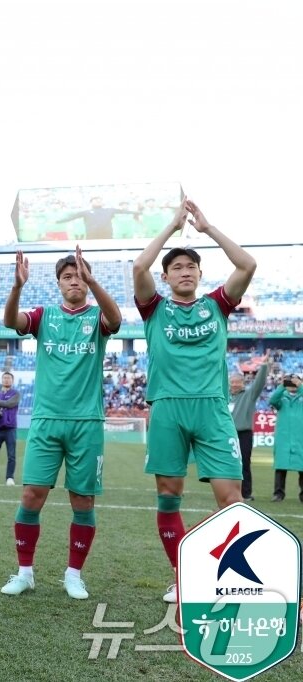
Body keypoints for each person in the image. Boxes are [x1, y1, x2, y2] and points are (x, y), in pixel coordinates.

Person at [132, 199, 256, 603]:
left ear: (200, 274)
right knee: (168, 494)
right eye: (177, 268)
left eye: (191, 267)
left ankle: (199, 561)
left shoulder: (216, 305)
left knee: (231, 500)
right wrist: (172, 225)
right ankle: (181, 576)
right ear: (166, 277)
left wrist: (207, 229)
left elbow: (247, 265)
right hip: (167, 406)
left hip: (212, 408)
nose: (185, 272)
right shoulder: (155, 309)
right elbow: (138, 268)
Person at [0, 247, 122, 600]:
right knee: (31, 495)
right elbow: (11, 322)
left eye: (80, 275)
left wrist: (93, 279)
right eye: (68, 276)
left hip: (86, 422)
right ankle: (24, 572)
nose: (74, 281)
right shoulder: (44, 316)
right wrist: (18, 287)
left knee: (83, 501)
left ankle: (73, 574)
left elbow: (116, 320)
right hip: (46, 421)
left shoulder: (97, 318)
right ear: (58, 283)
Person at [228, 354, 270, 501]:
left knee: (244, 463)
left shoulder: (249, 395)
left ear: (242, 383)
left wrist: (264, 366)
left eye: (237, 382)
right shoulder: (225, 397)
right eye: (232, 382)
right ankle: (227, 491)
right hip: (227, 434)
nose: (234, 385)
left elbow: (259, 383)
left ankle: (246, 493)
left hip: (244, 434)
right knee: (227, 464)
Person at [269, 374, 303, 502]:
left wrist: (300, 387)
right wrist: (282, 386)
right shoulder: (282, 398)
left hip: (300, 437)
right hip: (284, 438)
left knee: (302, 467)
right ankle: (278, 494)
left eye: (295, 381)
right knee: (280, 466)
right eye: (290, 382)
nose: (292, 384)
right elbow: (272, 401)